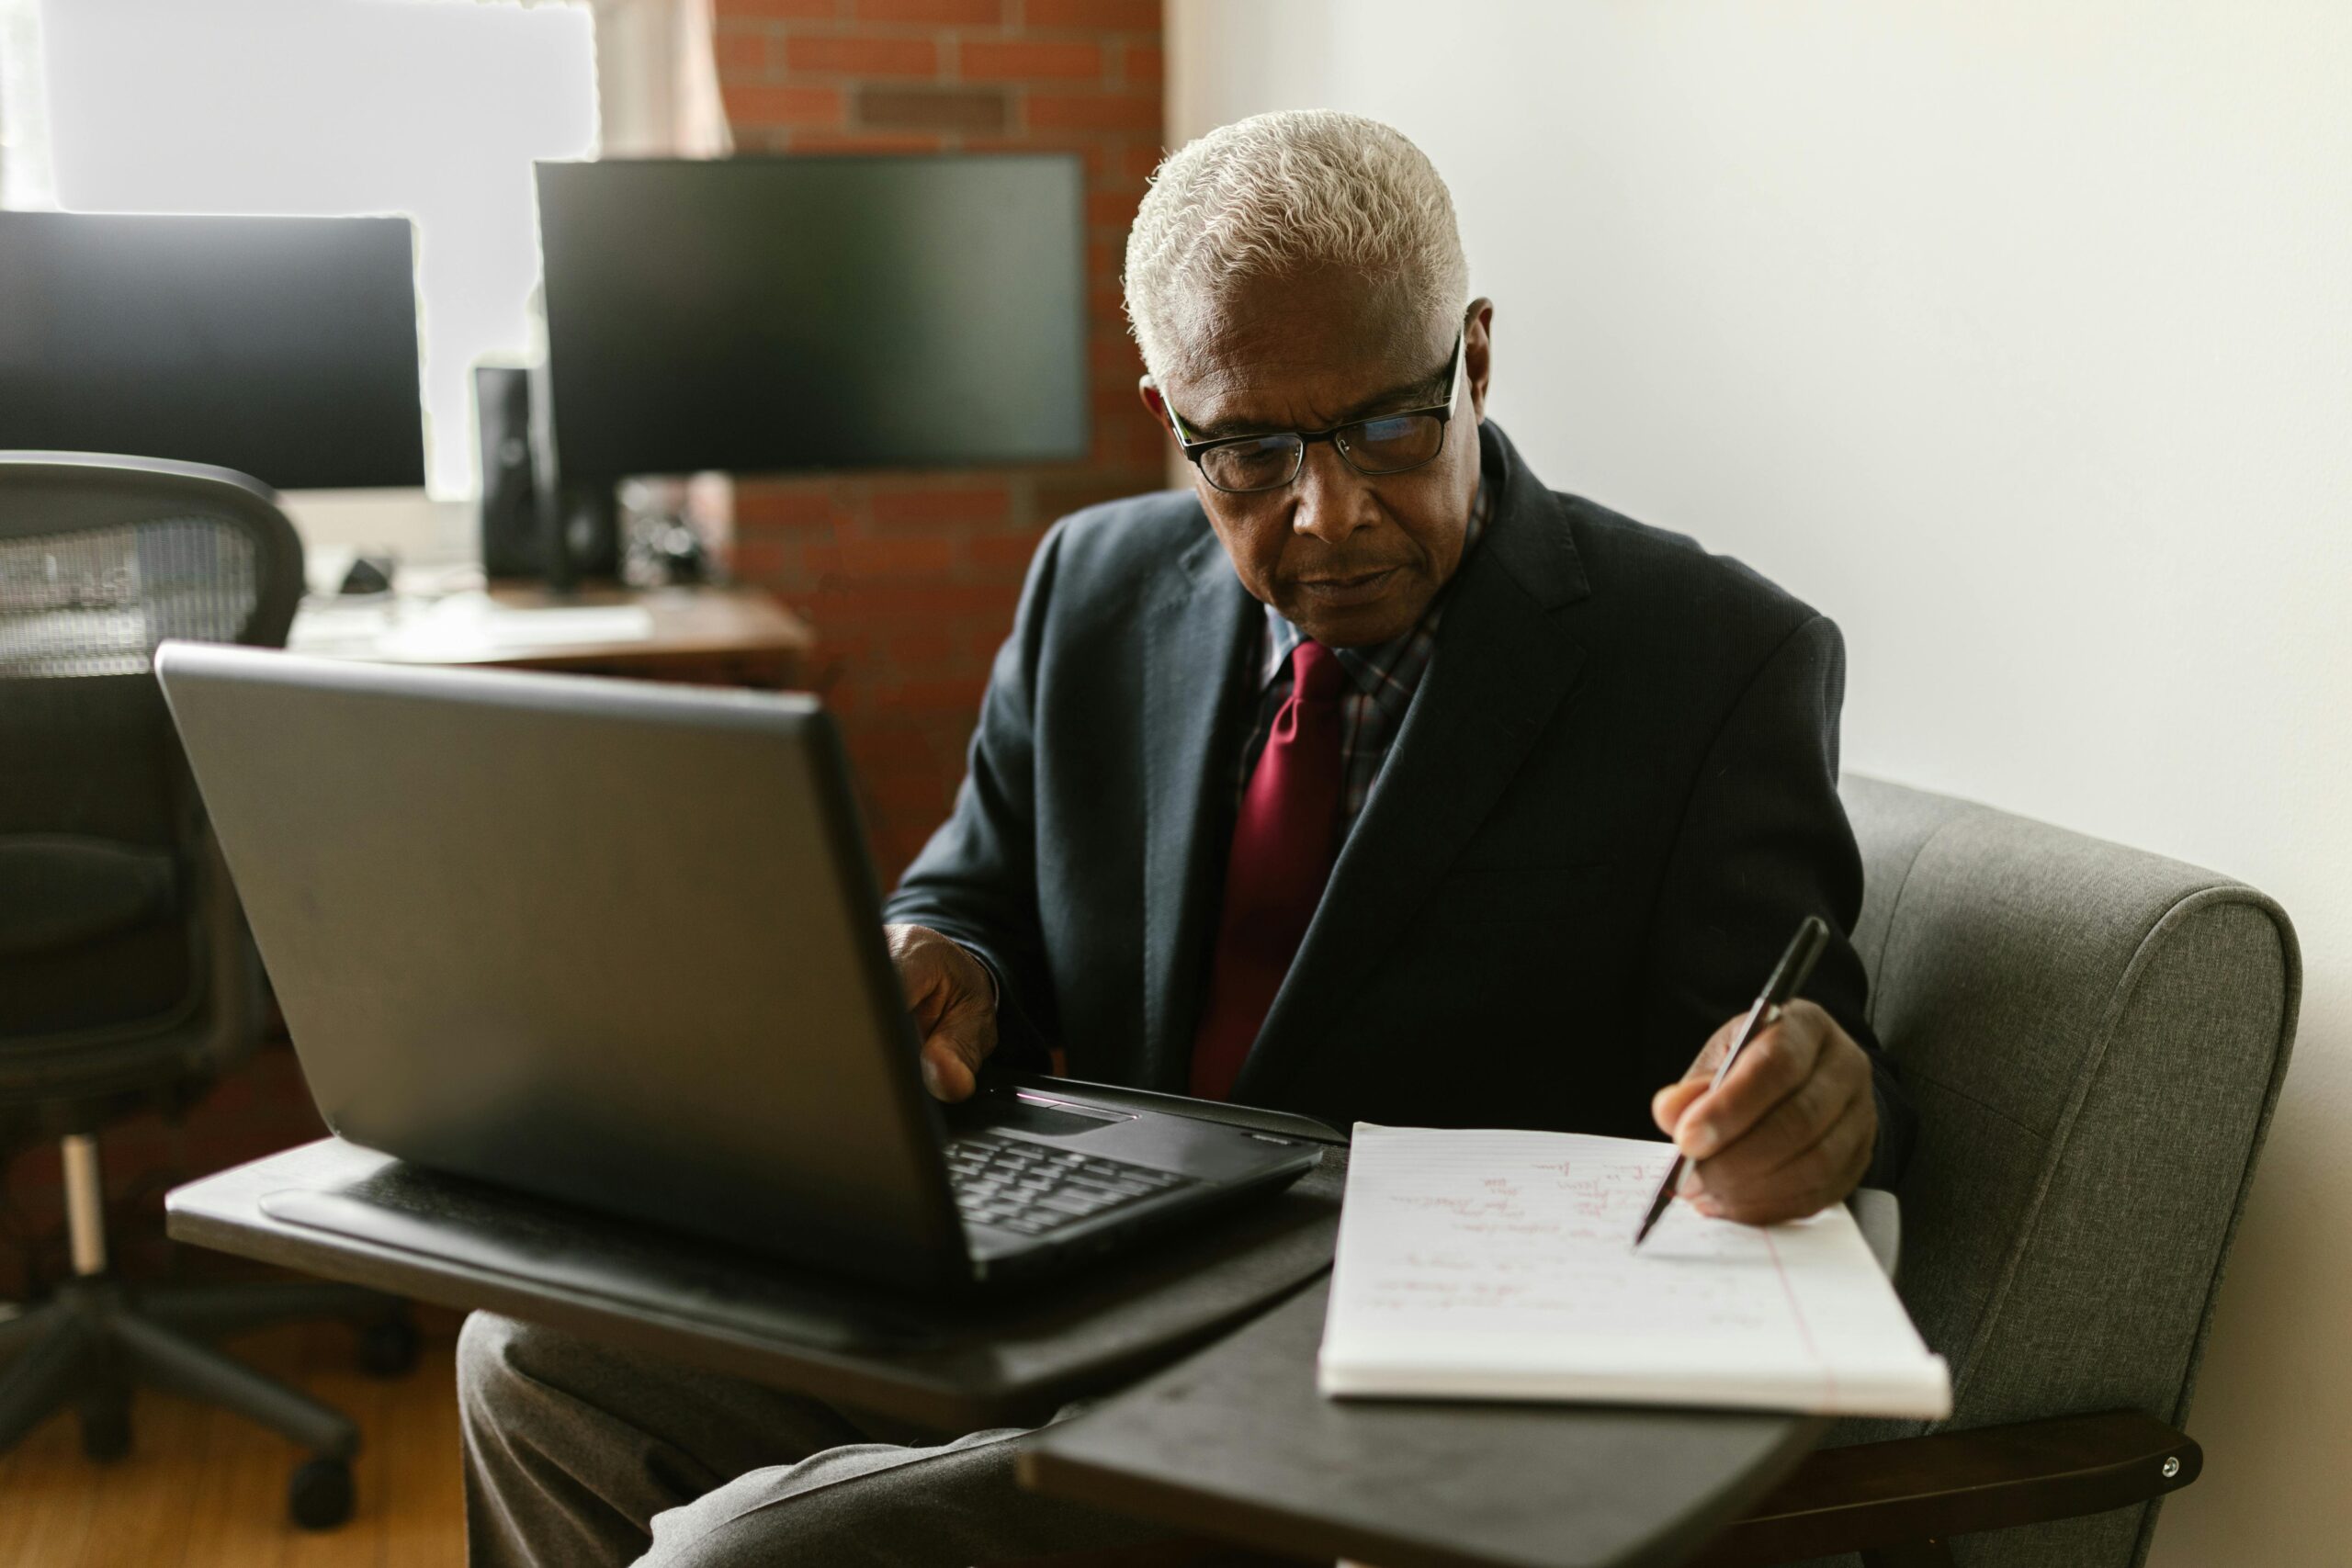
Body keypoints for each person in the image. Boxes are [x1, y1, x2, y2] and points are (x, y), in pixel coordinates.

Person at [458, 108, 1916, 1568]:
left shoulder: (1712, 660)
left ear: (1474, 357)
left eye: (1390, 427)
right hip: (1080, 1285)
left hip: (1403, 1386)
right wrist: (945, 961)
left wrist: (1805, 1097)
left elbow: (1809, 1058)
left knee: (744, 1557)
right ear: (1173, 418)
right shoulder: (1090, 586)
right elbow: (976, 891)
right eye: (1252, 452)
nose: (1329, 514)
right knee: (532, 1365)